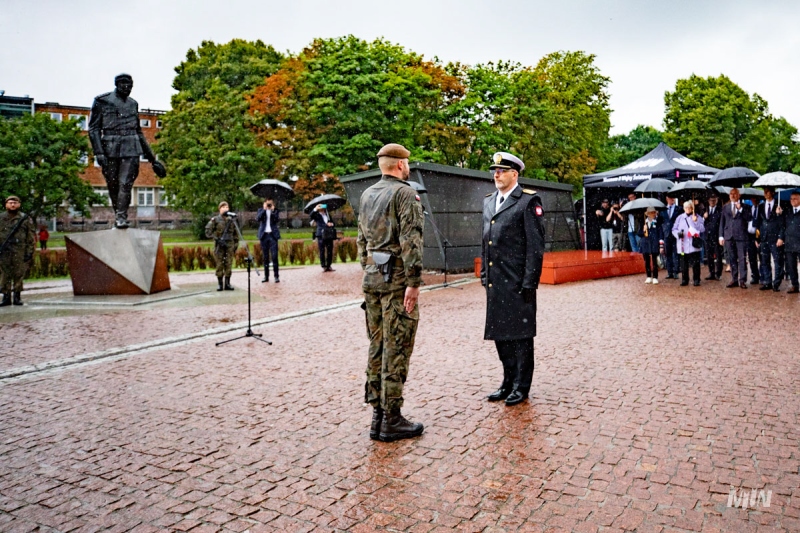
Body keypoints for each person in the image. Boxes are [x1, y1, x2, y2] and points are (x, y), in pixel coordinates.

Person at [356, 143, 424, 442]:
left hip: (372, 278)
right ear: (400, 165)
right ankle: (391, 419)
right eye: (407, 163)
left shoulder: (368, 194)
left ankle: (378, 416)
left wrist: (369, 267)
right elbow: (411, 239)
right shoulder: (405, 193)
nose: (408, 168)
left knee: (377, 345)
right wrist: (413, 281)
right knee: (396, 347)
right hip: (396, 280)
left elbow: (361, 240)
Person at [481, 152, 545, 407]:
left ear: (514, 174)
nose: (496, 174)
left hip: (518, 282)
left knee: (520, 336)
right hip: (496, 282)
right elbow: (485, 240)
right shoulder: (488, 202)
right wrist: (485, 275)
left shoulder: (528, 201)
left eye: (501, 170)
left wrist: (530, 282)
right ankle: (507, 381)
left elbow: (535, 246)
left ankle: (521, 385)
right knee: (500, 336)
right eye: (494, 170)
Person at [88, 74, 165, 229]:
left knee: (125, 184)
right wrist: (99, 152)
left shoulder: (133, 104)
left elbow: (138, 131)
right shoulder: (102, 101)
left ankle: (121, 217)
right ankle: (119, 215)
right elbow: (94, 129)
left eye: (130, 86)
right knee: (113, 185)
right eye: (125, 85)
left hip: (131, 148)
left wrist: (152, 159)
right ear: (118, 85)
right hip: (110, 149)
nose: (128, 89)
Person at [0, 196, 36, 306]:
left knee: (18, 274)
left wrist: (29, 252)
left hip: (19, 250)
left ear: (19, 204)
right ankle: (6, 297)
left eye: (15, 203)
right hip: (4, 251)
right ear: (6, 205)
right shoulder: (1, 218)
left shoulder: (24, 218)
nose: (12, 205)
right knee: (4, 274)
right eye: (10, 203)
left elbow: (30, 237)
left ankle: (17, 297)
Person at [753, 187, 785, 291]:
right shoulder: (761, 206)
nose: (766, 193)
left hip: (775, 238)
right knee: (764, 261)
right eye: (764, 192)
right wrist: (757, 238)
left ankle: (777, 283)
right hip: (764, 238)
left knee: (777, 261)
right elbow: (758, 223)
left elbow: (783, 224)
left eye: (768, 191)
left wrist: (781, 237)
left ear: (772, 193)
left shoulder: (779, 205)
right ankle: (767, 282)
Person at [719, 187, 751, 288]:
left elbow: (749, 218)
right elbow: (722, 222)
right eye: (731, 194)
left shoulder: (745, 206)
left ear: (739, 195)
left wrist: (740, 209)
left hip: (741, 235)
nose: (732, 195)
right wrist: (721, 236)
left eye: (735, 194)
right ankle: (734, 279)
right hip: (729, 235)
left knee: (742, 258)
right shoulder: (725, 207)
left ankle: (742, 280)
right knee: (732, 258)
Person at [205, 201, 239, 291]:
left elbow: (236, 234)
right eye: (223, 207)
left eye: (226, 207)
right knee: (219, 264)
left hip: (229, 245)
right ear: (219, 209)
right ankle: (220, 284)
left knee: (228, 264)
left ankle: (227, 283)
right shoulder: (215, 220)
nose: (225, 209)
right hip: (219, 245)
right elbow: (208, 231)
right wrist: (217, 239)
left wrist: (235, 245)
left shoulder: (231, 220)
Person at [673, 200, 705, 286]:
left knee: (695, 263)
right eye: (686, 207)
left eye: (689, 207)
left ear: (692, 208)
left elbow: (702, 229)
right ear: (683, 208)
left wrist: (695, 222)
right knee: (684, 263)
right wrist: (679, 234)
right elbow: (674, 229)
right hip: (683, 245)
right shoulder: (679, 218)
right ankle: (684, 279)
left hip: (694, 244)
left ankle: (696, 279)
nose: (688, 209)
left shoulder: (697, 217)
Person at [256, 199, 281, 283]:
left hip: (272, 235)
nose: (269, 204)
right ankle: (266, 276)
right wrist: (264, 209)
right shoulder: (260, 210)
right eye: (267, 203)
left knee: (274, 256)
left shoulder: (275, 211)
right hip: (264, 235)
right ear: (264, 203)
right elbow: (258, 219)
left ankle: (276, 276)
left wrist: (272, 211)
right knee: (265, 257)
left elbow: (277, 220)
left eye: (270, 203)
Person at [638, 207, 663, 284]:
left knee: (655, 261)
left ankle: (655, 277)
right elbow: (639, 233)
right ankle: (648, 276)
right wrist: (643, 230)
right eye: (651, 213)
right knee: (647, 261)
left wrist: (661, 244)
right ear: (648, 214)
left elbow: (660, 233)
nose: (653, 214)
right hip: (645, 243)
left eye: (654, 212)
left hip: (654, 242)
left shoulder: (657, 222)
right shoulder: (643, 222)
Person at [659, 196, 682, 279]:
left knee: (676, 253)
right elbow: (660, 224)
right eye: (670, 198)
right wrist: (661, 237)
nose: (672, 199)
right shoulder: (663, 210)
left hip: (675, 234)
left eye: (673, 198)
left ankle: (676, 271)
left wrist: (680, 234)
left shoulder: (679, 209)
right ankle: (669, 272)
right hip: (666, 234)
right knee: (668, 254)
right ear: (666, 199)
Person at [310, 204, 336, 272]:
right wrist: (315, 208)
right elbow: (311, 216)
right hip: (321, 234)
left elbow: (333, 223)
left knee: (330, 250)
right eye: (321, 207)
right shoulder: (317, 215)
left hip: (328, 234)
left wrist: (331, 224)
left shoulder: (327, 214)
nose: (322, 209)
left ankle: (329, 265)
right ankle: (323, 266)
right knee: (322, 251)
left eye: (323, 207)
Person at [783, 191, 800, 294]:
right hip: (790, 242)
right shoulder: (787, 212)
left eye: (795, 198)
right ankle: (795, 285)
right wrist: (779, 214)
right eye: (791, 199)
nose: (793, 201)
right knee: (791, 265)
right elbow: (783, 225)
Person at [703, 194, 723, 280]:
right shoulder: (705, 210)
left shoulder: (720, 210)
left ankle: (718, 273)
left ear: (717, 201)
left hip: (716, 235)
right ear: (708, 201)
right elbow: (700, 223)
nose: (712, 202)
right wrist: (704, 217)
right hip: (707, 236)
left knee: (718, 255)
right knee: (709, 255)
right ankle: (711, 272)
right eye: (711, 200)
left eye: (714, 200)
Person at [746, 199, 762, 285]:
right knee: (752, 257)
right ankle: (755, 275)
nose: (753, 200)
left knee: (761, 256)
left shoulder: (761, 208)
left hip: (759, 234)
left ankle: (762, 275)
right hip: (750, 235)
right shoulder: (749, 208)